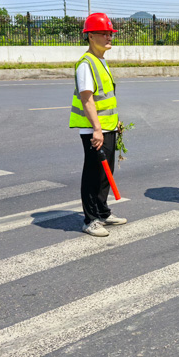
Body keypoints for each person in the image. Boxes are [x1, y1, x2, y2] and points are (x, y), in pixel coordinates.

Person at [69, 13, 127, 237]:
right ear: (91, 36)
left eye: (110, 33)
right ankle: (90, 219)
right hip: (94, 130)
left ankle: (102, 212)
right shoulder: (86, 64)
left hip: (107, 127)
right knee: (93, 173)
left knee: (105, 172)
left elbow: (105, 98)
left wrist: (114, 122)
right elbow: (87, 99)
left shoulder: (101, 61)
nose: (109, 37)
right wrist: (96, 129)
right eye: (104, 33)